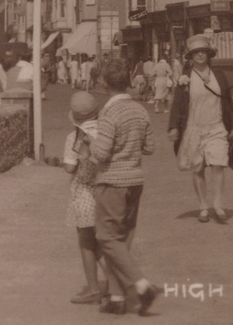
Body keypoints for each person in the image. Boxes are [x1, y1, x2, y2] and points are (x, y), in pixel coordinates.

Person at [88, 61, 160, 315]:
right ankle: (117, 299)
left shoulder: (109, 114)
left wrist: (90, 140)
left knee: (106, 237)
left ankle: (141, 284)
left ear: (105, 83)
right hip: (135, 180)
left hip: (113, 181)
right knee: (122, 240)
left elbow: (101, 152)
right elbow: (149, 147)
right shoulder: (139, 110)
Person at [168, 35, 233, 225]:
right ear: (191, 56)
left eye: (203, 52)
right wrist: (174, 126)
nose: (200, 55)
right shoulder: (186, 77)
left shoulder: (219, 75)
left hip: (217, 126)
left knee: (219, 163)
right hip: (194, 128)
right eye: (196, 52)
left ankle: (217, 205)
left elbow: (228, 102)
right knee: (198, 168)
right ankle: (203, 207)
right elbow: (177, 104)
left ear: (209, 54)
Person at [63, 91, 105, 305]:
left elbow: (70, 167)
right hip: (104, 190)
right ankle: (119, 281)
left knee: (86, 242)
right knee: (104, 240)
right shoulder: (106, 134)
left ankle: (93, 288)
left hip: (84, 192)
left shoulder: (75, 137)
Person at [150, 47, 175, 114]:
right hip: (164, 80)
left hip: (158, 80)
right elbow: (171, 73)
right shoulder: (166, 65)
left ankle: (156, 105)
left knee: (158, 93)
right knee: (166, 94)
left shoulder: (157, 65)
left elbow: (152, 74)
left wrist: (156, 76)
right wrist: (167, 74)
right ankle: (165, 109)